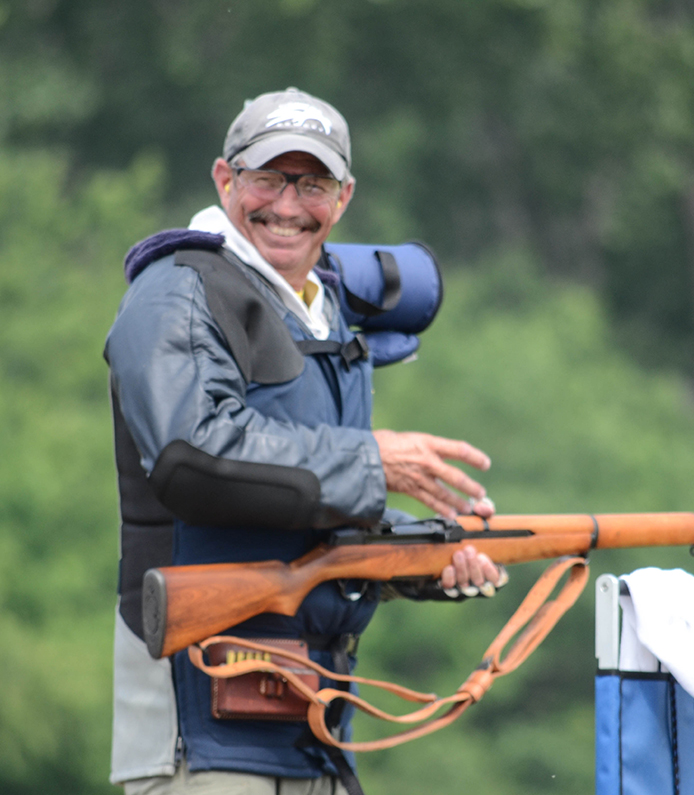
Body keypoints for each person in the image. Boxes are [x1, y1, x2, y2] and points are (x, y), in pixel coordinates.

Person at [105, 87, 506, 795]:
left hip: (315, 726)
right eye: (268, 178)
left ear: (343, 197)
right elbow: (193, 455)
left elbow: (316, 514)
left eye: (312, 183)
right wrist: (372, 459)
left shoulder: (327, 314)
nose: (288, 205)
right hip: (202, 731)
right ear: (225, 179)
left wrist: (425, 557)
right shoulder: (176, 290)